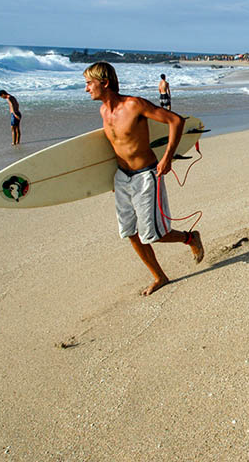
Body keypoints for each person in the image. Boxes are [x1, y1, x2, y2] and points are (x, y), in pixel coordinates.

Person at [83, 62, 204, 296]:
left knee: (153, 234)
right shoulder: (103, 111)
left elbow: (175, 121)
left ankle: (190, 238)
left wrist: (167, 158)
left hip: (146, 176)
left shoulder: (134, 105)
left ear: (105, 83)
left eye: (89, 83)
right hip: (122, 178)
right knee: (129, 231)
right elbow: (117, 146)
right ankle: (159, 276)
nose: (86, 88)